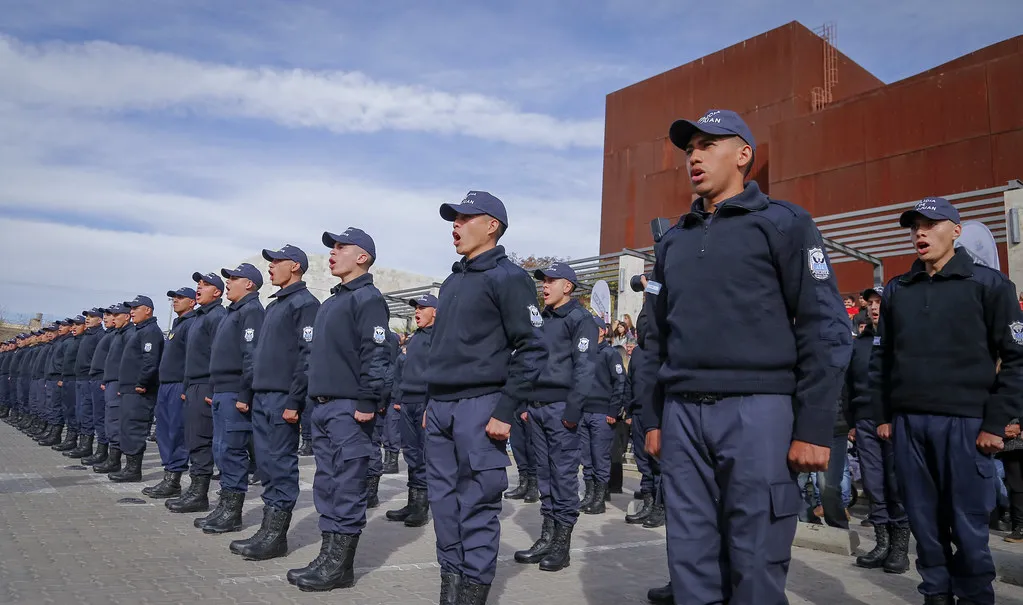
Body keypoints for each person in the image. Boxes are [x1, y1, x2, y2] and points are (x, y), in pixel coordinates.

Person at [643, 109, 851, 605]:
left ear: (743, 155)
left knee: (756, 562)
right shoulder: (673, 242)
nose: (693, 156)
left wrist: (813, 426)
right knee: (690, 560)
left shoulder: (784, 223)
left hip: (758, 412)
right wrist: (651, 418)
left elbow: (824, 325)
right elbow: (654, 338)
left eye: (707, 145)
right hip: (682, 416)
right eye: (689, 149)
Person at [872, 197, 1023, 605]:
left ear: (956, 231)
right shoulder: (898, 289)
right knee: (925, 524)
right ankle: (936, 594)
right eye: (914, 226)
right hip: (910, 426)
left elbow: (1017, 359)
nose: (920, 233)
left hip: (967, 426)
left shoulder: (989, 285)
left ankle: (975, 597)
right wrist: (882, 415)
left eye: (930, 224)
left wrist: (995, 422)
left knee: (969, 527)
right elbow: (881, 359)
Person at [423, 191, 547, 604]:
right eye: (453, 220)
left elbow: (532, 347)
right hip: (441, 408)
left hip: (480, 407)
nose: (455, 226)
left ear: (492, 225)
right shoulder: (453, 281)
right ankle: (450, 592)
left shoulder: (509, 278)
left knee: (476, 505)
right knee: (443, 506)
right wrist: (431, 403)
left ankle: (472, 595)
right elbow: (440, 349)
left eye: (464, 218)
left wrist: (505, 409)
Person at [286, 227, 391, 592]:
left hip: (349, 408)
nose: (332, 252)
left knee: (346, 485)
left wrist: (368, 399)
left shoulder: (367, 298)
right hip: (323, 406)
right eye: (332, 247)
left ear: (362, 257)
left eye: (341, 247)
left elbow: (376, 352)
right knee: (327, 485)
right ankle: (328, 556)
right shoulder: (332, 302)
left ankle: (340, 566)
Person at [230, 245, 319, 561]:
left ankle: (276, 537)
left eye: (276, 262)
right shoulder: (275, 305)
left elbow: (308, 356)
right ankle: (267, 529)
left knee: (280, 464)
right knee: (267, 465)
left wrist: (295, 400)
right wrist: (248, 392)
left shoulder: (305, 304)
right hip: (263, 396)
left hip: (282, 399)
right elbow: (256, 357)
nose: (270, 267)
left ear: (294, 266)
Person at [514, 263, 596, 573]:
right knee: (545, 475)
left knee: (563, 476)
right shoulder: (541, 318)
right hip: (536, 407)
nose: (545, 286)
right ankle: (547, 537)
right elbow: (529, 361)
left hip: (561, 409)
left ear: (568, 287)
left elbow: (584, 367)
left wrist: (573, 410)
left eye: (551, 280)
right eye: (543, 281)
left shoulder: (580, 319)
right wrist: (526, 401)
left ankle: (562, 544)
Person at [196, 263, 265, 533]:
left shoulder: (251, 311)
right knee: (221, 450)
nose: (228, 282)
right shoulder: (232, 312)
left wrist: (244, 393)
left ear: (249, 284)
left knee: (233, 451)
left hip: (235, 392)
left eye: (234, 278)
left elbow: (252, 356)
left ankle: (232, 513)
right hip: (222, 391)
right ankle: (224, 506)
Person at [847, 286, 909, 571]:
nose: (874, 307)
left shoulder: (901, 340)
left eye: (879, 302)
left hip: (895, 422)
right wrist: (851, 422)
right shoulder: (859, 344)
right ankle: (882, 543)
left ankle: (900, 549)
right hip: (865, 422)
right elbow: (849, 385)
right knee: (873, 484)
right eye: (870, 302)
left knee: (896, 484)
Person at [166, 272, 228, 514]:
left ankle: (199, 494)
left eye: (205, 285)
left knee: (202, 440)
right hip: (193, 385)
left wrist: (212, 387)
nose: (199, 288)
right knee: (193, 438)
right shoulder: (201, 317)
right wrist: (186, 386)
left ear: (218, 292)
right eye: (198, 284)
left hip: (205, 385)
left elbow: (218, 354)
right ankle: (195, 489)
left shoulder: (217, 316)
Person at [386, 293, 437, 527]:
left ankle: (422, 508)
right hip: (407, 402)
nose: (417, 311)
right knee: (411, 453)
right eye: (416, 307)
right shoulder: (415, 338)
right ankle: (412, 503)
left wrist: (431, 404)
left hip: (425, 402)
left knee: (425, 455)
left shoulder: (438, 337)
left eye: (423, 308)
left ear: (435, 312)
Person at [143, 288, 197, 498]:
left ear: (192, 302)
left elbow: (192, 357)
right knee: (164, 433)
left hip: (178, 385)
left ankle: (174, 479)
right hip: (165, 385)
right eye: (173, 298)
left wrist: (186, 386)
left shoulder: (191, 323)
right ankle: (168, 475)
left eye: (180, 298)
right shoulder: (178, 324)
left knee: (176, 433)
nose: (175, 301)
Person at [112, 295, 164, 483]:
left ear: (147, 310)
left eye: (135, 308)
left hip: (139, 391)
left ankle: (133, 470)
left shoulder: (150, 331)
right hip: (130, 389)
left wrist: (142, 383)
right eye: (131, 308)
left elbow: (150, 362)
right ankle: (129, 467)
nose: (131, 312)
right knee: (127, 427)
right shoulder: (139, 330)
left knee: (135, 428)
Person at [578, 317, 626, 514]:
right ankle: (589, 494)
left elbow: (619, 382)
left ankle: (600, 498)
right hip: (583, 412)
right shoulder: (583, 353)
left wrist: (613, 410)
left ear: (601, 331)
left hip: (602, 413)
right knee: (586, 457)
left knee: (600, 457)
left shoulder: (610, 353)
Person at [93, 304, 135, 474]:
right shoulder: (118, 334)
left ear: (126, 316)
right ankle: (110, 457)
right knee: (109, 420)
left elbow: (129, 361)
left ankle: (114, 460)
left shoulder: (129, 334)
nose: (112, 318)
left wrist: (124, 383)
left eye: (117, 315)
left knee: (115, 421)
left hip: (118, 383)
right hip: (111, 381)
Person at [66, 308, 105, 459]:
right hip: (80, 378)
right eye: (87, 316)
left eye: (91, 316)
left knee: (88, 413)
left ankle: (87, 446)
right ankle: (82, 444)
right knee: (80, 412)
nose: (87, 319)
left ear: (100, 320)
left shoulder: (100, 335)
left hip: (89, 379)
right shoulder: (87, 336)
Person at [82, 310, 115, 466]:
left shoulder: (106, 335)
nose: (87, 319)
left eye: (91, 317)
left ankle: (103, 451)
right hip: (94, 378)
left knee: (102, 417)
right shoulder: (107, 334)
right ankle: (92, 447)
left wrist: (105, 378)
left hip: (102, 379)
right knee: (93, 415)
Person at [53, 316, 84, 452]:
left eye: (77, 325)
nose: (74, 327)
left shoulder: (82, 341)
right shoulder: (71, 341)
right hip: (67, 379)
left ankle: (73, 439)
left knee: (74, 410)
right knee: (67, 409)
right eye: (73, 325)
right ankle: (68, 438)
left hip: (75, 379)